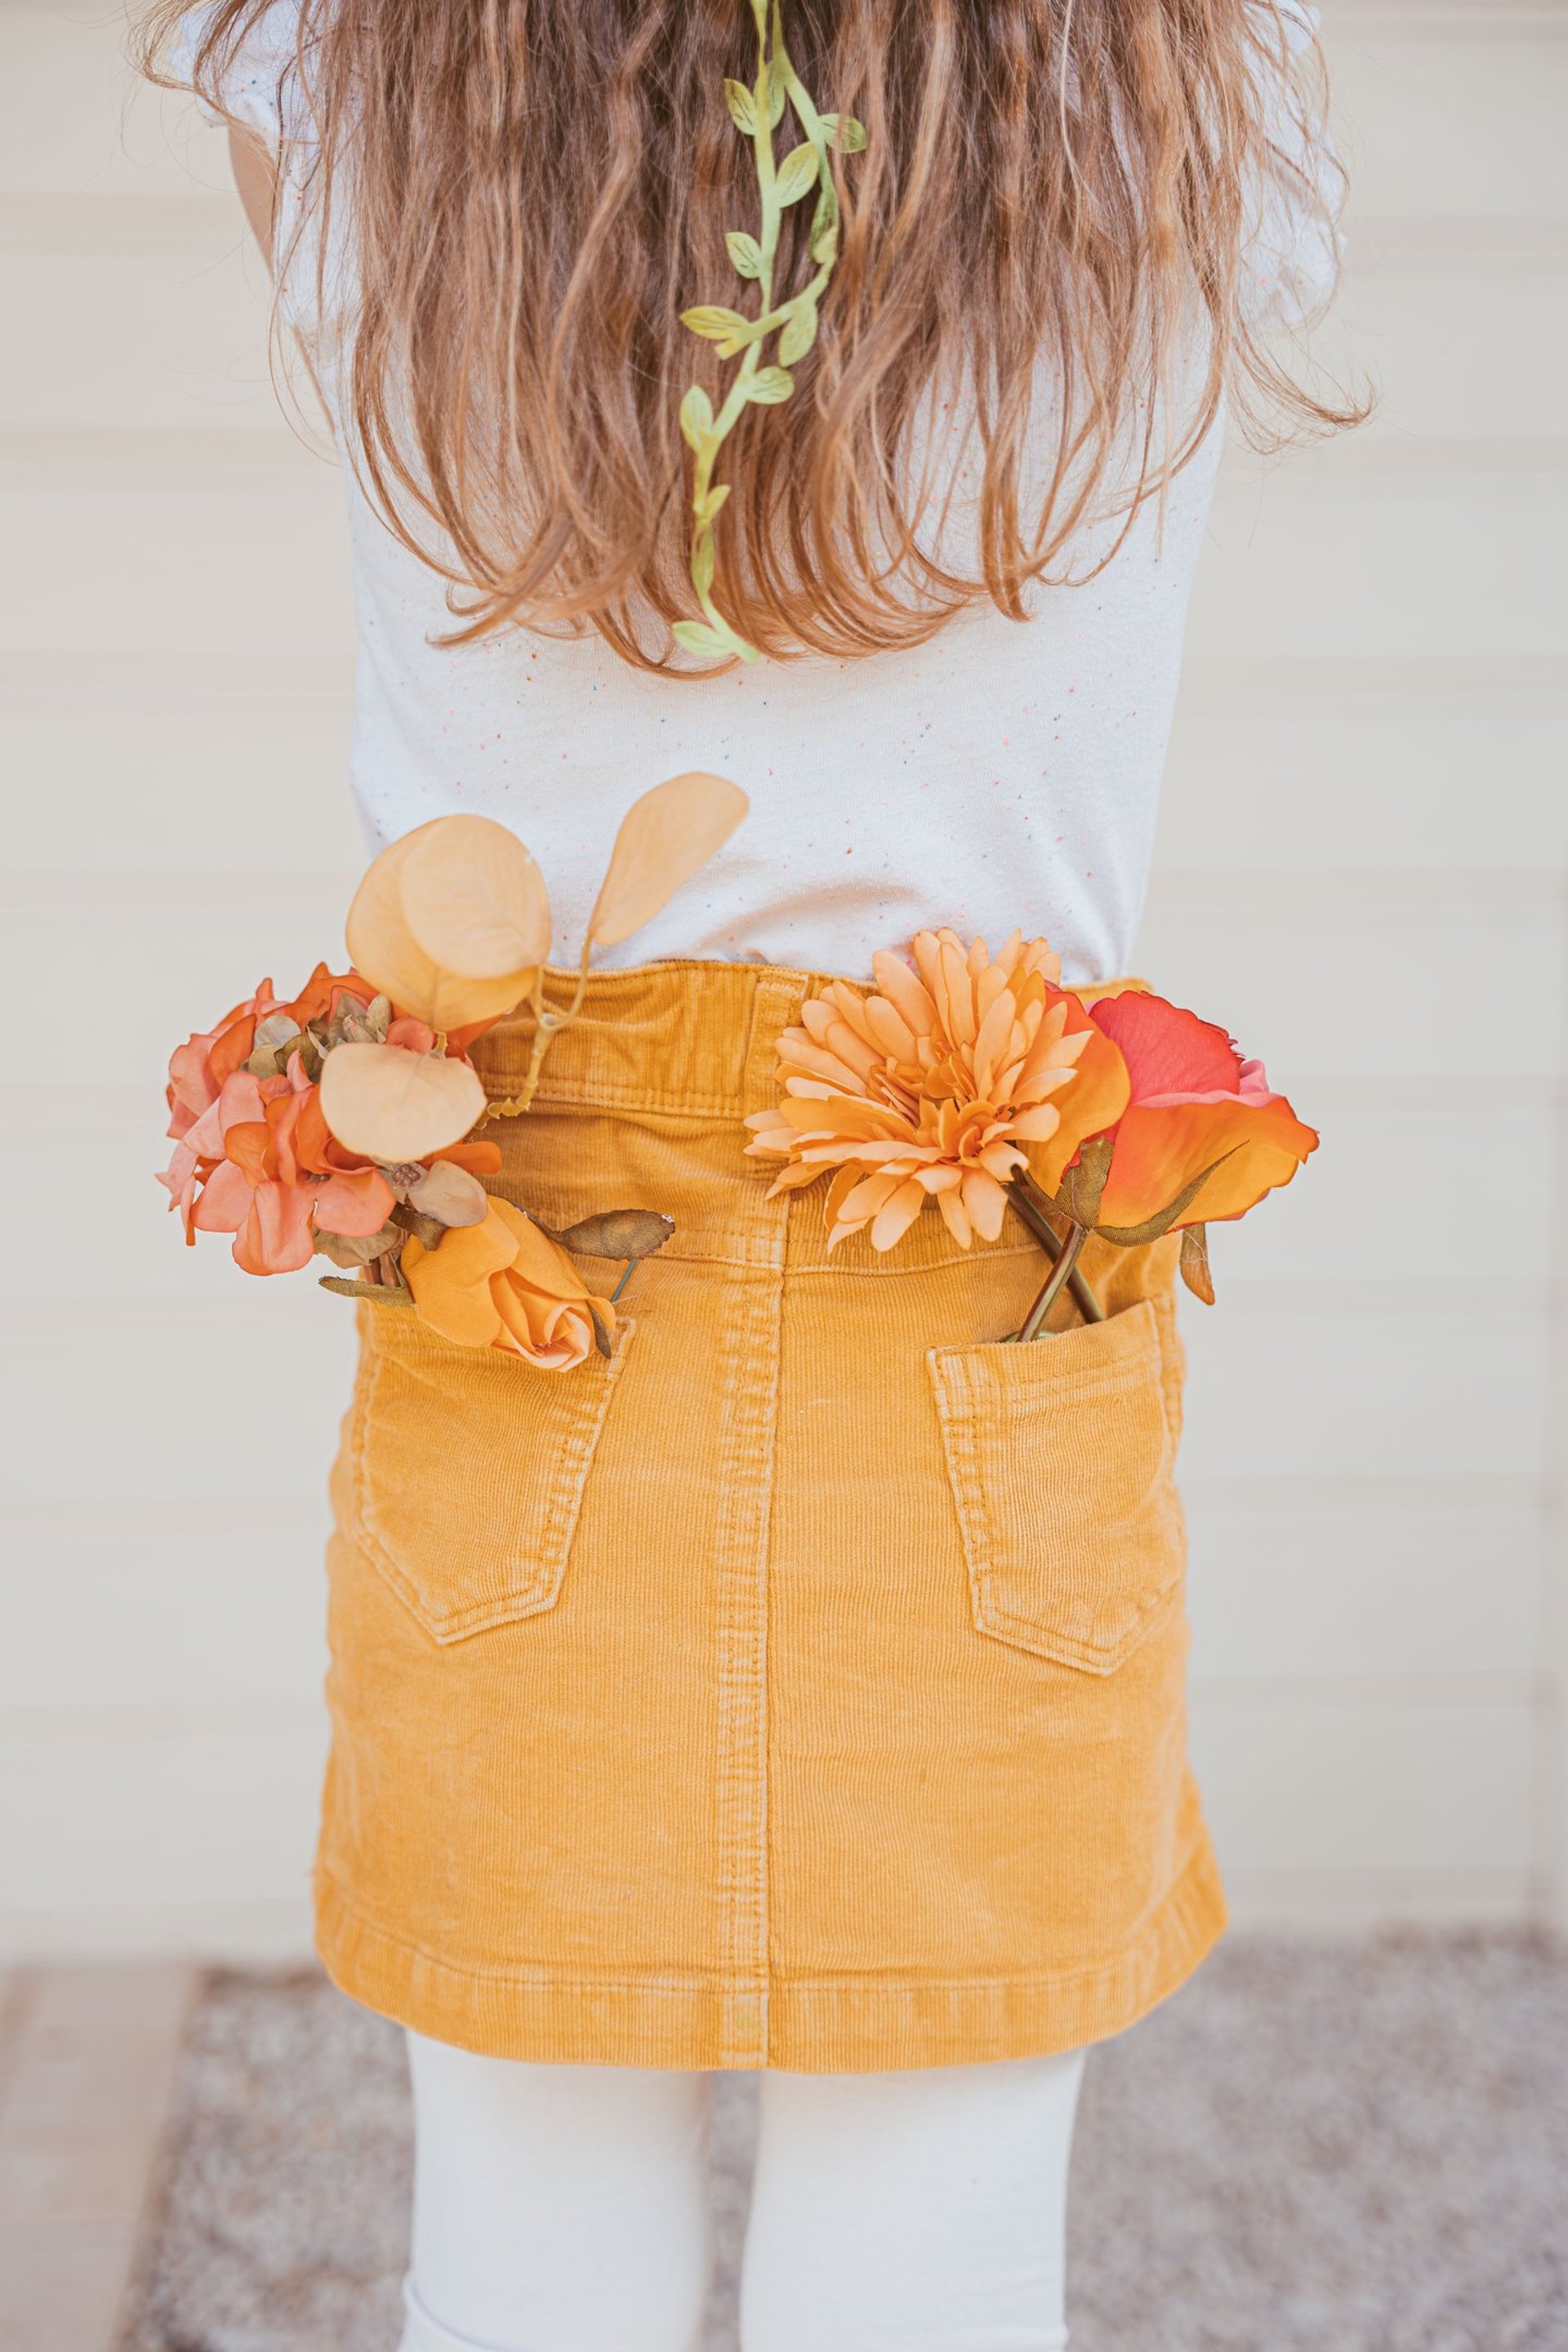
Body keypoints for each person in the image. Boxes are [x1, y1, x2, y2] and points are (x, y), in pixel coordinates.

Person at [140, 5, 1359, 2346]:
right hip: (975, 1263)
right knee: (936, 2234)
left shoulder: (350, 61)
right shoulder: (1202, 64)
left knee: (524, 2215)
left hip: (536, 1264)